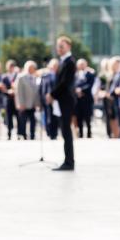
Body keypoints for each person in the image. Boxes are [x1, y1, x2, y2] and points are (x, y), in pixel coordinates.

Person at [46, 36, 77, 171]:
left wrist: (52, 94)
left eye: (62, 46)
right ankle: (68, 160)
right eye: (58, 46)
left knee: (66, 132)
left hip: (66, 101)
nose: (59, 49)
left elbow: (64, 83)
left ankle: (69, 162)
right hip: (62, 100)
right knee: (64, 132)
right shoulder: (63, 61)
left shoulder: (69, 62)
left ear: (68, 47)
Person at [15, 61, 40, 140]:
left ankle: (32, 134)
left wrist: (37, 103)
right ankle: (23, 135)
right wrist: (20, 103)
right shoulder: (21, 77)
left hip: (32, 103)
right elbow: (19, 92)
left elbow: (36, 91)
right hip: (24, 103)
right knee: (23, 120)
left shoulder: (35, 77)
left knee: (33, 120)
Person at [74, 58, 96, 138]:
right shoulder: (75, 75)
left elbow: (90, 85)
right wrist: (77, 91)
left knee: (87, 116)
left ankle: (89, 132)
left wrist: (81, 90)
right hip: (78, 99)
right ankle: (80, 133)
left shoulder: (90, 74)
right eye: (80, 64)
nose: (81, 66)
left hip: (86, 98)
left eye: (83, 64)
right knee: (79, 116)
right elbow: (74, 85)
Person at [39, 59, 60, 139]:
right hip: (47, 100)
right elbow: (41, 89)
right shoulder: (45, 76)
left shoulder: (59, 76)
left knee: (56, 117)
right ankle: (50, 133)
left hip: (57, 100)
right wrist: (42, 99)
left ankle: (55, 133)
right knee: (48, 117)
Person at [0, 60, 19, 140]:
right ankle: (9, 133)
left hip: (16, 99)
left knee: (18, 117)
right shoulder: (4, 77)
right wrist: (7, 91)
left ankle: (19, 133)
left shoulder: (17, 76)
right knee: (9, 117)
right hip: (7, 99)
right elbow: (2, 87)